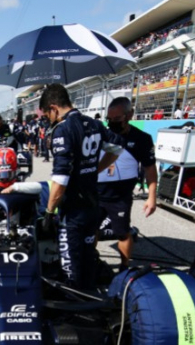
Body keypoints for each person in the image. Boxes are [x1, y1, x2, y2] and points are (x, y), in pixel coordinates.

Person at [40, 83, 123, 289]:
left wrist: (50, 212)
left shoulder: (63, 130)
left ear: (54, 108)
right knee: (87, 258)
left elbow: (60, 179)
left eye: (47, 115)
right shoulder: (93, 123)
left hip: (73, 210)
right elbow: (117, 147)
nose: (48, 119)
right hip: (92, 203)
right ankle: (91, 298)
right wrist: (95, 169)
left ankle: (75, 308)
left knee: (70, 264)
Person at [97, 97, 158, 270]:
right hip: (96, 191)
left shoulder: (142, 139)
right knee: (90, 230)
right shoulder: (102, 134)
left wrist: (152, 197)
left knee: (122, 232)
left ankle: (125, 267)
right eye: (109, 119)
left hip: (121, 195)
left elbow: (150, 170)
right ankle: (92, 259)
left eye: (117, 119)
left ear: (129, 114)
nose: (112, 123)